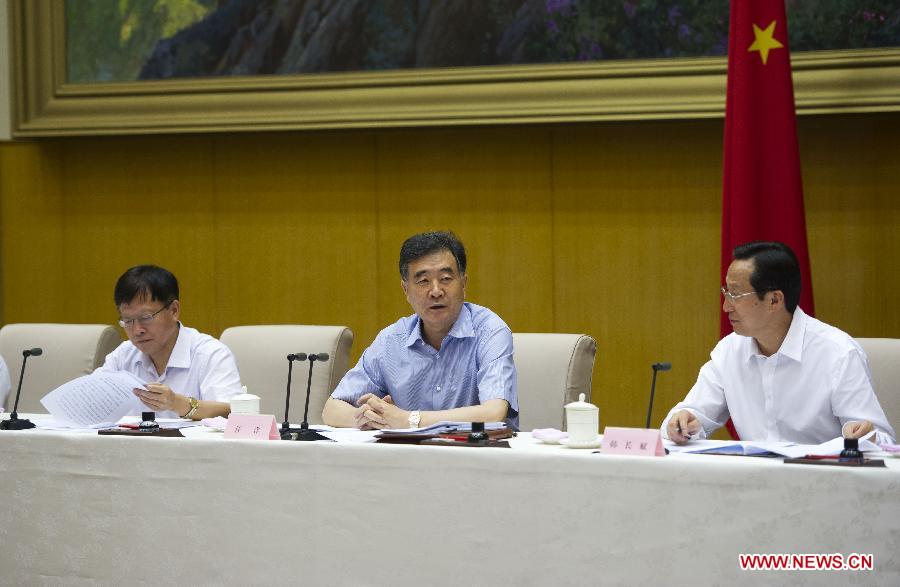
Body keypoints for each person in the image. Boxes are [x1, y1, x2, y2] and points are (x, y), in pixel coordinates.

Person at [663, 241, 895, 446]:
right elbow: (692, 415)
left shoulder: (838, 354)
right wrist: (682, 424)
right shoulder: (729, 351)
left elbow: (883, 443)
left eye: (735, 295)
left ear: (774, 300)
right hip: (755, 485)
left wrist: (868, 438)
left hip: (825, 484)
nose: (726, 306)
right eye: (726, 293)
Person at [323, 231, 518, 430]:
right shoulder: (391, 340)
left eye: (445, 278)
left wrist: (408, 420)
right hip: (409, 459)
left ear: (464, 284)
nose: (435, 291)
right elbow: (332, 409)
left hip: (477, 457)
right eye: (423, 281)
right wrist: (374, 418)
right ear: (406, 290)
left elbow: (494, 413)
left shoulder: (490, 331)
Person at [95, 265, 242, 419]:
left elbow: (230, 411)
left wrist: (176, 403)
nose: (137, 330)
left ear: (173, 311)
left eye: (146, 318)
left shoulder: (211, 354)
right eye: (127, 320)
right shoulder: (123, 356)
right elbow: (93, 396)